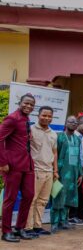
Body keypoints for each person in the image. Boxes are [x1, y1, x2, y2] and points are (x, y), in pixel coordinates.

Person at [0, 94, 36, 242]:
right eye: (26, 103)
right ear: (20, 103)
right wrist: (2, 162)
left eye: (31, 105)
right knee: (10, 198)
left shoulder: (26, 119)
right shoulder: (12, 118)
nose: (28, 106)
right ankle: (6, 231)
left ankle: (20, 228)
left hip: (27, 164)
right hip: (12, 165)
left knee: (29, 195)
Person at [25, 106, 57, 237]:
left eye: (49, 116)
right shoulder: (31, 130)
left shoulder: (53, 134)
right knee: (31, 200)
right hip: (35, 170)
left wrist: (55, 170)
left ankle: (38, 225)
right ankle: (28, 228)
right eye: (44, 115)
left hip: (49, 171)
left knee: (43, 200)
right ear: (38, 115)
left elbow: (55, 152)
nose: (47, 118)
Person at [51, 116, 83, 233]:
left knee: (69, 197)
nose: (73, 124)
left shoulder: (78, 139)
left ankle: (64, 221)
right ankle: (55, 223)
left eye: (75, 122)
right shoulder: (59, 137)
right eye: (71, 121)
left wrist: (80, 173)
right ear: (66, 123)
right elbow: (54, 155)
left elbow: (78, 157)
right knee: (58, 196)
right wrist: (55, 171)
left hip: (73, 172)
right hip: (61, 172)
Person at [68, 117, 83, 226]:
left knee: (81, 195)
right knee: (74, 194)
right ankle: (72, 216)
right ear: (78, 124)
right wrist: (76, 172)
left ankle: (79, 215)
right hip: (74, 170)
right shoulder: (73, 137)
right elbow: (73, 156)